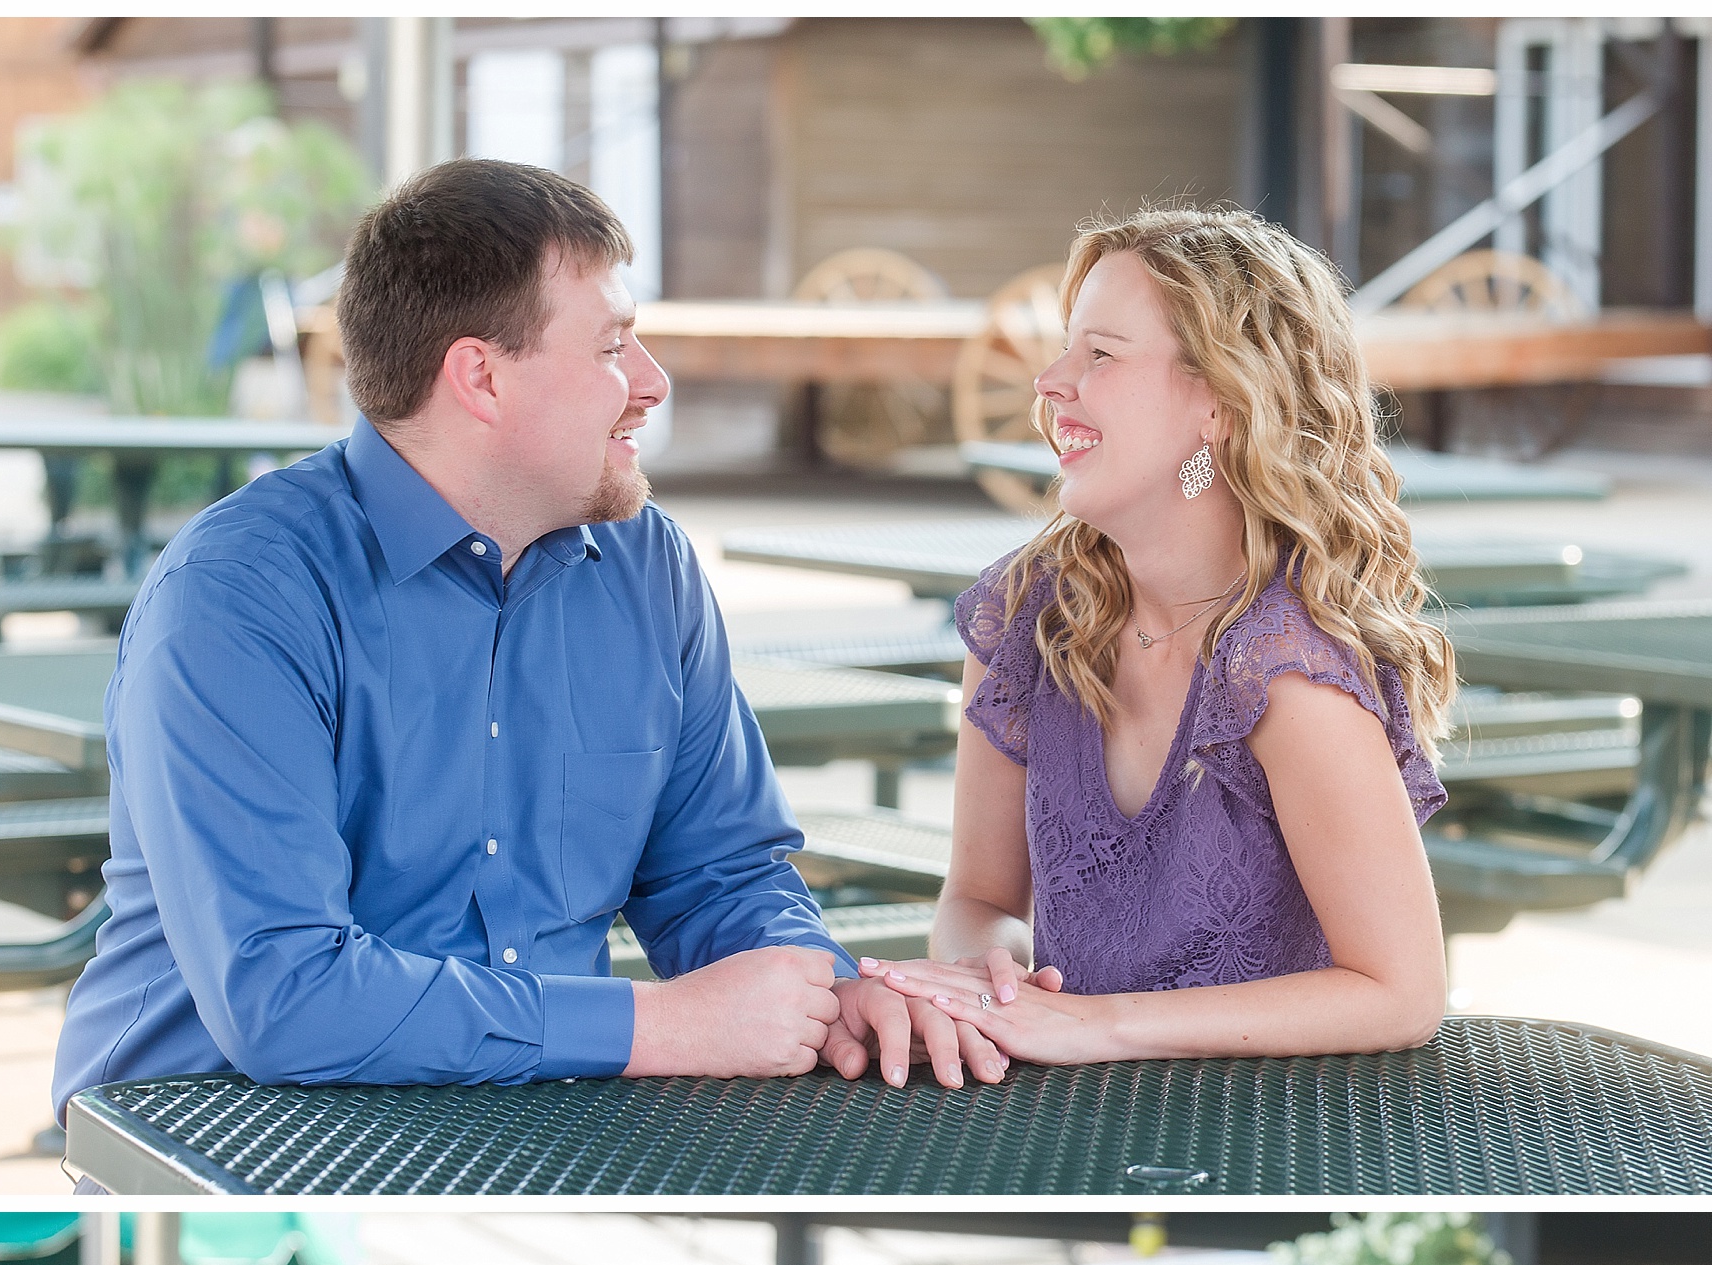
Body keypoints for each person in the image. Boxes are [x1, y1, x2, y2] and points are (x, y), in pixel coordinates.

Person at [50, 158, 1001, 1133]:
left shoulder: (646, 563)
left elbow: (716, 875)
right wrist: (664, 1026)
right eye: (613, 346)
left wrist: (827, 994)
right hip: (206, 1134)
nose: (652, 385)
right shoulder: (237, 596)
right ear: (482, 377)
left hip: (528, 1124)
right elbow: (286, 999)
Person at [858, 205, 1454, 1065]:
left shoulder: (1288, 675)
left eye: (1100, 354)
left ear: (1219, 403)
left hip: (1275, 1137)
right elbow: (978, 897)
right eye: (1067, 348)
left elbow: (1402, 993)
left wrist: (1097, 1026)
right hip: (1067, 1118)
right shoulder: (1028, 615)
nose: (1049, 381)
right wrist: (988, 978)